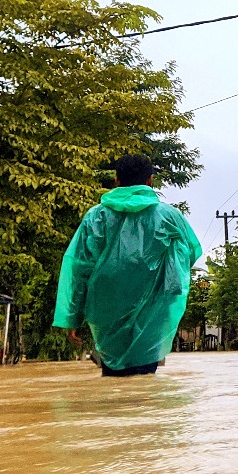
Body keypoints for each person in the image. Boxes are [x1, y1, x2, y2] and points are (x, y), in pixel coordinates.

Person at [54, 154, 202, 377]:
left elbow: (79, 267)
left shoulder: (96, 217)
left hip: (105, 308)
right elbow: (190, 252)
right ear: (150, 180)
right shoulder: (168, 216)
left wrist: (71, 317)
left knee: (112, 375)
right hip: (152, 309)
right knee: (144, 376)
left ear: (116, 180)